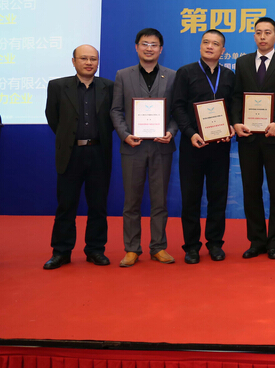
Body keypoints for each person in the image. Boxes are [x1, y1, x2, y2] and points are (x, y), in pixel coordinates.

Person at [231, 16, 275, 260]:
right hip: (248, 138)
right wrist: (236, 122)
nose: (262, 36)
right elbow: (236, 97)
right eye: (258, 32)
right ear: (254, 36)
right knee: (251, 190)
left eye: (267, 32)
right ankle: (257, 240)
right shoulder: (242, 62)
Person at [110, 28, 178, 267]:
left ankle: (158, 247)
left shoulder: (172, 76)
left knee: (160, 201)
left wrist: (171, 131)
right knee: (131, 202)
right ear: (136, 47)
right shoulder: (123, 75)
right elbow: (116, 110)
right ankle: (131, 249)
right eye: (145, 44)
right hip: (133, 147)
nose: (149, 48)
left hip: (161, 147)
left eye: (154, 45)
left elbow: (177, 111)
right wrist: (125, 135)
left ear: (161, 49)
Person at [43, 45, 115, 269]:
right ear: (73, 61)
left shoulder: (109, 87)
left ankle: (95, 249)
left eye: (93, 59)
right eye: (84, 58)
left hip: (98, 152)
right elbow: (53, 118)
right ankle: (61, 252)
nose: (89, 62)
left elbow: (113, 119)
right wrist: (69, 137)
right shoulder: (57, 86)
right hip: (70, 153)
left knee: (98, 206)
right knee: (66, 205)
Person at [171, 30, 236, 264]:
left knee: (218, 197)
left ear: (223, 50)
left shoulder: (229, 76)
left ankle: (215, 243)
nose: (210, 46)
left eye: (215, 44)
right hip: (193, 145)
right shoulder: (186, 72)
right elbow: (177, 106)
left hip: (220, 146)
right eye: (206, 42)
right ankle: (191, 246)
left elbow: (234, 106)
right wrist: (190, 133)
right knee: (191, 198)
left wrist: (231, 126)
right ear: (200, 46)